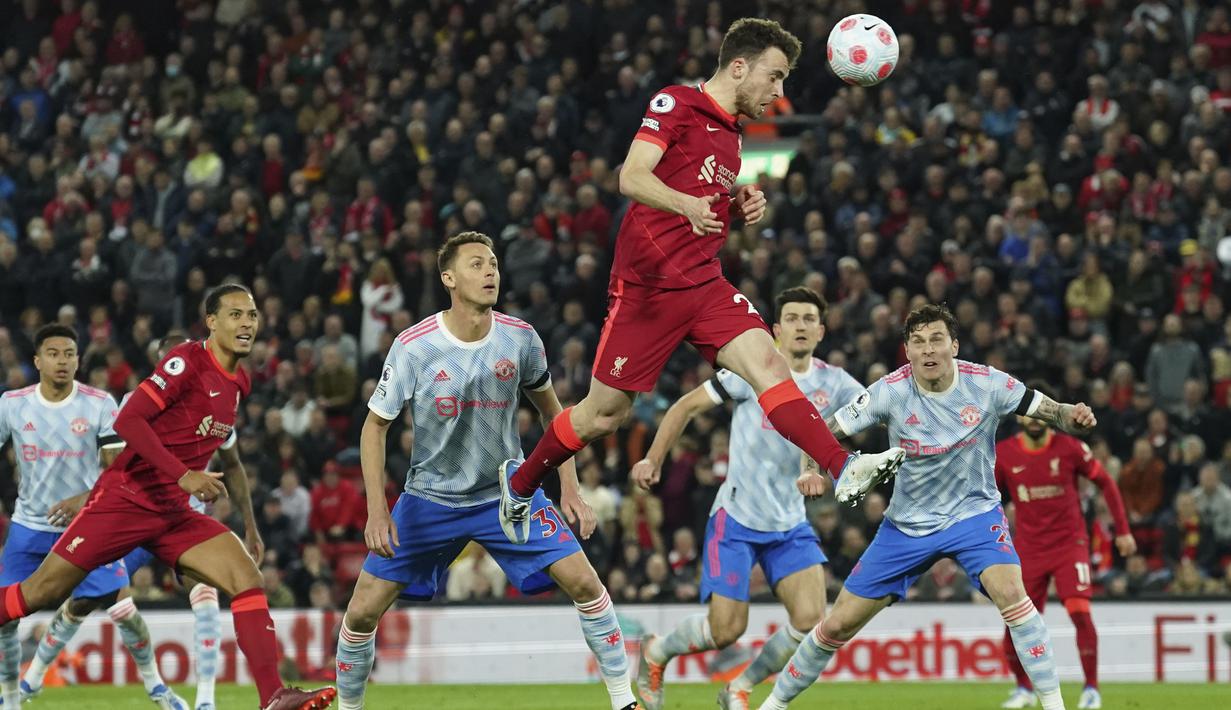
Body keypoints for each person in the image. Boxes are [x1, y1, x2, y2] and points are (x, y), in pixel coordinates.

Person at [499, 17, 903, 545]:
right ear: (739, 66)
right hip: (647, 289)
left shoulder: (735, 136)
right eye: (775, 76)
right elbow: (631, 176)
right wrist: (685, 203)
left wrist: (736, 203)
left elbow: (705, 198)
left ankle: (841, 464)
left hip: (706, 284)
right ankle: (522, 485)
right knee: (603, 416)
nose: (780, 91)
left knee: (768, 364)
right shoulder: (675, 104)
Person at [333, 232, 639, 710]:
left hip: (507, 496)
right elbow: (374, 429)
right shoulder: (414, 347)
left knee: (586, 583)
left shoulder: (521, 338)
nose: (491, 271)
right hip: (430, 498)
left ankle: (625, 702)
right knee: (361, 611)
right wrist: (378, 510)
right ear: (449, 278)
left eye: (493, 263)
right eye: (477, 264)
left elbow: (556, 418)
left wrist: (570, 489)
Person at [0, 285, 335, 710]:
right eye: (235, 315)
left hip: (173, 513)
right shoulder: (187, 362)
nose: (247, 323)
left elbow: (220, 456)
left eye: (252, 315)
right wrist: (183, 476)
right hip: (126, 500)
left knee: (246, 577)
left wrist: (215, 502)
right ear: (211, 322)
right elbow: (128, 421)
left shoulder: (239, 381)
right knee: (39, 594)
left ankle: (274, 696)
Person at [759, 304, 1098, 710]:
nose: (928, 350)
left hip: (974, 515)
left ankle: (1054, 705)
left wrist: (1072, 416)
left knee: (1011, 592)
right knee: (837, 624)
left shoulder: (988, 383)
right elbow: (822, 429)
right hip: (905, 528)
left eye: (937, 339)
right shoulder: (890, 390)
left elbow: (1050, 410)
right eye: (918, 342)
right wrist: (810, 468)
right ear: (907, 351)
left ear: (954, 345)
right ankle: (773, 705)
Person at [629, 287, 864, 710]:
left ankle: (740, 686)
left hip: (789, 523)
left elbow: (879, 409)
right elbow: (683, 407)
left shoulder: (837, 383)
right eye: (791, 318)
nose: (800, 325)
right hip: (736, 518)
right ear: (774, 330)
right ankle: (657, 651)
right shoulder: (750, 371)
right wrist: (652, 459)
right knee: (725, 632)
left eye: (809, 318)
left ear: (822, 331)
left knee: (812, 622)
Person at [22, 332, 263, 710]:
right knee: (95, 597)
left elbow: (233, 466)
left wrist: (250, 525)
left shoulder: (218, 393)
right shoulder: (135, 403)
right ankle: (33, 676)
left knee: (206, 593)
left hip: (183, 513)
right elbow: (115, 467)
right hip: (134, 512)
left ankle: (205, 700)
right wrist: (87, 500)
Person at [0, 324, 188, 709]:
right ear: (37, 361)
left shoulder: (100, 403)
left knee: (121, 605)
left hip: (87, 525)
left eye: (69, 354)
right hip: (28, 526)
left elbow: (119, 468)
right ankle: (11, 699)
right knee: (5, 616)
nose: (62, 361)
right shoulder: (11, 404)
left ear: (78, 359)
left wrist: (84, 498)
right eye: (53, 354)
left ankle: (157, 687)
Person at [995, 389, 1136, 710]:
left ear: (1047, 412)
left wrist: (1123, 531)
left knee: (1079, 612)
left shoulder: (1070, 448)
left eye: (1037, 411)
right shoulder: (1004, 454)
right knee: (1016, 623)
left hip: (1069, 545)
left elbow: (1107, 483)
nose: (1032, 418)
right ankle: (1023, 690)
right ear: (1018, 416)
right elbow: (984, 496)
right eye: (1026, 412)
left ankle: (1091, 689)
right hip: (1028, 549)